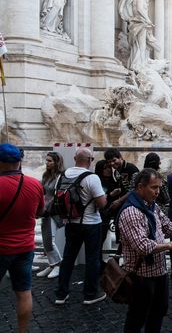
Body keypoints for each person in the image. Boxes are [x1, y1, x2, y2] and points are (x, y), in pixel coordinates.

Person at [118, 168, 172, 332]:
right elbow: (142, 246)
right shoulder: (131, 212)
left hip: (159, 272)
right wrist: (170, 245)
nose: (158, 192)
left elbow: (166, 224)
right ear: (140, 187)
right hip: (140, 276)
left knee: (158, 313)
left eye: (159, 187)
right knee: (137, 317)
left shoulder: (152, 206)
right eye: (154, 187)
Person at [0, 143, 45, 333]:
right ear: (19, 161)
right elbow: (39, 213)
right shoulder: (35, 184)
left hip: (1, 248)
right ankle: (22, 331)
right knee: (24, 293)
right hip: (26, 247)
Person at [55, 148, 108, 305]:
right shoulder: (92, 178)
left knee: (68, 258)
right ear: (90, 160)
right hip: (91, 224)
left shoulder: (62, 176)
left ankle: (61, 294)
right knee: (92, 259)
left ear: (74, 158)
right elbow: (102, 203)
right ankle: (90, 294)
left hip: (71, 223)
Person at [37, 151, 65, 279]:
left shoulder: (60, 176)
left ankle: (58, 264)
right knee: (46, 239)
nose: (47, 163)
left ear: (56, 162)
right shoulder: (46, 175)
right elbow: (42, 194)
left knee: (49, 239)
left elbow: (58, 195)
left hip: (53, 211)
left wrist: (45, 209)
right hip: (45, 210)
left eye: (50, 161)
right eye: (46, 160)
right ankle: (52, 264)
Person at [94, 159, 121, 271]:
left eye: (109, 167)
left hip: (109, 215)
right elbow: (97, 200)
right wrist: (111, 194)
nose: (108, 170)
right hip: (99, 215)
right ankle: (97, 265)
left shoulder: (113, 181)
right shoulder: (97, 181)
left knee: (103, 239)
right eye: (105, 168)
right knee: (98, 241)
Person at [104, 148, 139, 213]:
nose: (112, 163)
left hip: (134, 204)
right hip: (124, 204)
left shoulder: (132, 169)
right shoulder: (116, 172)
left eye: (114, 160)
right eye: (109, 162)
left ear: (120, 157)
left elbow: (136, 190)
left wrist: (119, 201)